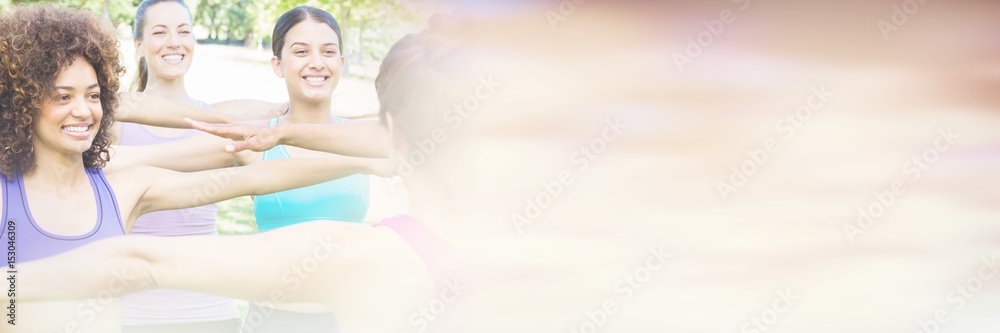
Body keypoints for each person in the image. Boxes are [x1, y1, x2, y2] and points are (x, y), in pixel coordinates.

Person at [14, 14, 481, 333]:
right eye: (62, 96)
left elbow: (250, 180)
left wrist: (346, 151)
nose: (83, 109)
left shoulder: (123, 187)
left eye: (94, 96)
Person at [117, 1, 240, 332]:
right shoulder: (114, 122)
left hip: (212, 312)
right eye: (160, 32)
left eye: (184, 31)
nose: (174, 41)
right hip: (133, 315)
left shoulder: (215, 119)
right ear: (139, 46)